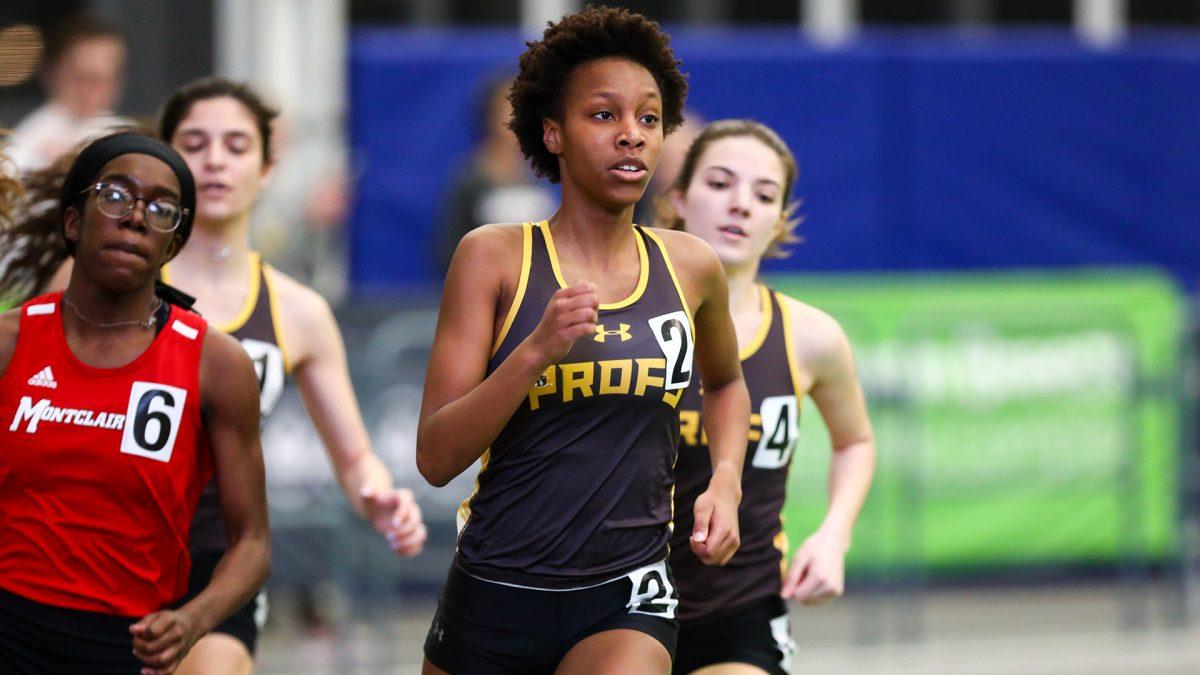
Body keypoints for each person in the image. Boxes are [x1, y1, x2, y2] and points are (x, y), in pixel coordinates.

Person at [417, 7, 750, 674]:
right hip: (496, 590)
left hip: (628, 592)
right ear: (554, 132)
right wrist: (535, 350)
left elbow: (727, 383)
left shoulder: (691, 266)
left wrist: (726, 480)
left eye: (649, 119)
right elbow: (436, 455)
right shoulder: (494, 257)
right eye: (604, 116)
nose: (631, 136)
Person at [155, 77, 427, 675]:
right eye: (195, 143)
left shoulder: (298, 312)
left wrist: (380, 498)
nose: (215, 160)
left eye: (235, 144)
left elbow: (355, 458)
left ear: (267, 166)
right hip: (103, 554)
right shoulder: (112, 284)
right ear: (166, 158)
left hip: (219, 565)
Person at [0, 132, 269, 674]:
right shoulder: (9, 342)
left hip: (128, 645)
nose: (137, 217)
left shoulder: (215, 365)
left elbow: (253, 544)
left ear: (171, 246)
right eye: (116, 196)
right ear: (73, 221)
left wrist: (193, 620)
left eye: (162, 209)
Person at [660, 119, 877, 675]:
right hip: (613, 608)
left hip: (739, 614)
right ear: (679, 198)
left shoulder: (810, 336)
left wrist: (834, 535)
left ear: (779, 221)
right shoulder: (623, 323)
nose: (740, 205)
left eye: (763, 195)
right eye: (720, 184)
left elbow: (855, 441)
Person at [433, 73, 557, 273]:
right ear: (490, 116)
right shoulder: (470, 181)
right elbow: (449, 252)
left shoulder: (541, 176)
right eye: (509, 110)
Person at [9, 16, 128, 171]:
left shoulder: (127, 143)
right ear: (51, 74)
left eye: (100, 80)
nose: (87, 91)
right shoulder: (24, 145)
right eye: (79, 77)